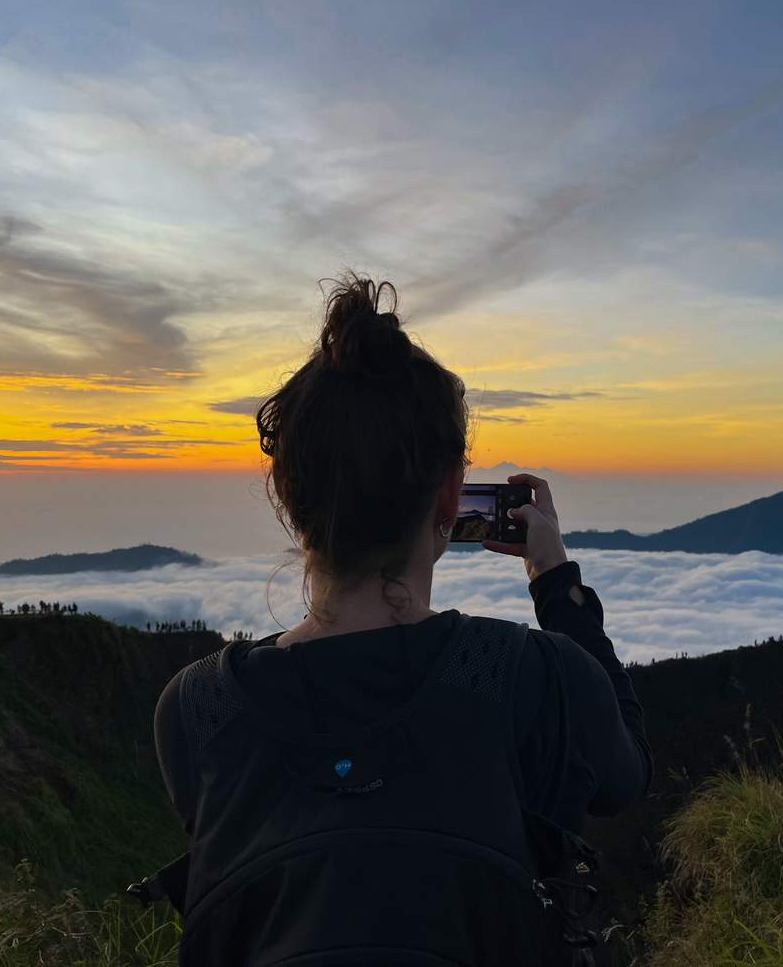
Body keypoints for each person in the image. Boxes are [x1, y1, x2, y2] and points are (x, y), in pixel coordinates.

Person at [153, 274, 652, 966]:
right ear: (450, 493)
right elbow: (622, 773)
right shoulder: (537, 679)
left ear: (287, 491)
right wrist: (555, 582)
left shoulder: (197, 710)